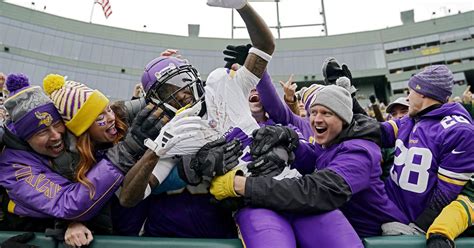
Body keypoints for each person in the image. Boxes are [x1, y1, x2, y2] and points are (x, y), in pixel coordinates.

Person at [210, 85, 408, 239]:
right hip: (353, 230)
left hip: (381, 236)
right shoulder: (330, 143)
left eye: (326, 113)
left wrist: (245, 186)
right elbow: (312, 156)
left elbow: (316, 191)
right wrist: (290, 139)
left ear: (344, 119)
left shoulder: (359, 152)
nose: (316, 119)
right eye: (314, 112)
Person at [0, 73, 123, 239]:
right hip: (25, 233)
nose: (56, 136)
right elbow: (66, 202)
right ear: (26, 138)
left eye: (57, 124)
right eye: (42, 132)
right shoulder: (14, 166)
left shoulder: (71, 135)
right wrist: (122, 157)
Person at [380, 65, 474, 235]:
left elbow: (446, 194)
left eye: (410, 92)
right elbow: (379, 131)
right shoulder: (412, 119)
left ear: (422, 92)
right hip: (392, 210)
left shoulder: (459, 131)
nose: (407, 98)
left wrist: (419, 227)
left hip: (415, 222)